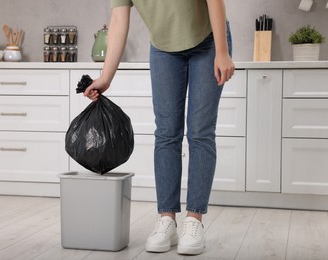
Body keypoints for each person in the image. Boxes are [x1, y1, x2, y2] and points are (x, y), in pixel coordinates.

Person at [84, 0, 234, 256]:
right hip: (164, 50)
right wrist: (106, 76)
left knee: (200, 132)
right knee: (166, 134)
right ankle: (167, 220)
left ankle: (194, 220)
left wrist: (222, 51)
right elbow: (119, 19)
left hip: (209, 41)